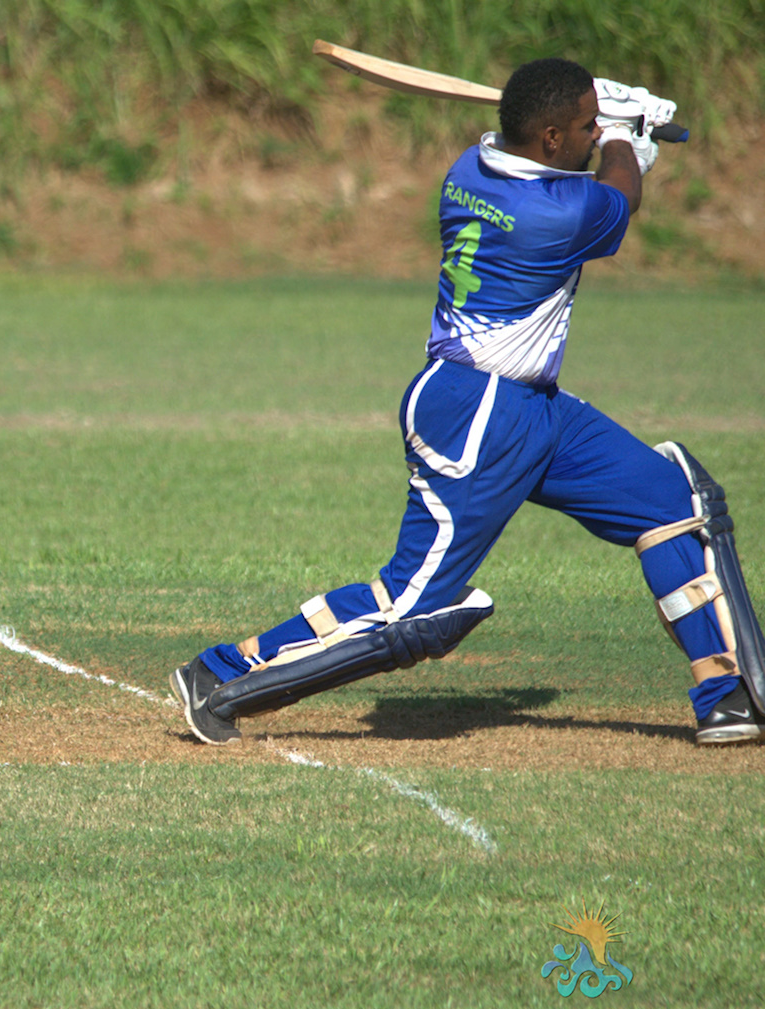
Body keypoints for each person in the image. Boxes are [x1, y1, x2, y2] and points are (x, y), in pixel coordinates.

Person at [172, 59, 764, 748]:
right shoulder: (557, 214)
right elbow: (621, 198)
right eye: (580, 126)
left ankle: (728, 697)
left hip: (532, 408)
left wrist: (608, 129)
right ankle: (222, 674)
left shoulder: (469, 168)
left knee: (673, 500)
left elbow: (583, 172)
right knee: (412, 608)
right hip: (478, 415)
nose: (590, 132)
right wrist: (631, 138)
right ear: (546, 138)